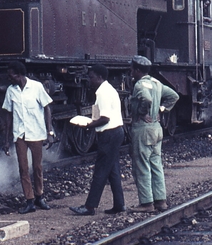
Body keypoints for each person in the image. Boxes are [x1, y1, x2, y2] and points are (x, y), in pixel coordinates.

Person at [70, 64, 126, 216]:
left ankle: (89, 207)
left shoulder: (103, 93)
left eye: (92, 77)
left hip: (109, 133)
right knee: (113, 170)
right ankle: (119, 205)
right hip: (115, 132)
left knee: (100, 171)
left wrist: (88, 125)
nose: (90, 80)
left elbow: (105, 118)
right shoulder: (107, 89)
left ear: (100, 77)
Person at [2, 61, 55, 214]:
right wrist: (6, 140)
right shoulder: (10, 91)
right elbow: (7, 115)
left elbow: (47, 108)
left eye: (10, 75)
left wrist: (49, 132)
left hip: (36, 133)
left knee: (37, 167)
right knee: (23, 168)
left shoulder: (37, 87)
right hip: (19, 134)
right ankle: (29, 200)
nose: (8, 78)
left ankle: (39, 196)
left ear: (18, 75)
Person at [128, 55, 179, 212]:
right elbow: (174, 96)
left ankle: (146, 203)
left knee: (142, 166)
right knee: (156, 165)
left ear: (137, 70)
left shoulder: (140, 84)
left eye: (132, 69)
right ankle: (160, 201)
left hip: (143, 128)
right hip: (157, 129)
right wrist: (162, 110)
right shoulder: (157, 83)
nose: (131, 71)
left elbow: (146, 99)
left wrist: (143, 112)